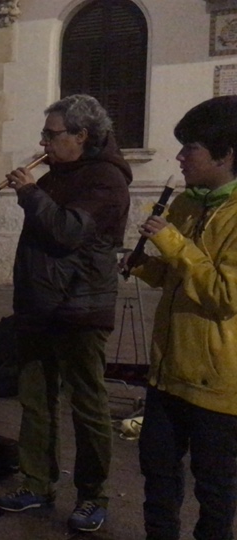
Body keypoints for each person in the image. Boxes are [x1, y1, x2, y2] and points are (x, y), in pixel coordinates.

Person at [0, 94, 131, 532]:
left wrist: (29, 193)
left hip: (80, 307)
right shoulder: (57, 174)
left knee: (87, 404)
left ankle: (93, 494)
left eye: (51, 134)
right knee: (36, 399)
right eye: (45, 134)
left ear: (81, 135)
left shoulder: (107, 180)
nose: (44, 143)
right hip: (40, 305)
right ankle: (37, 482)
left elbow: (67, 230)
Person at [123, 95, 237, 540]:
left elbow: (225, 296)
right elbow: (179, 279)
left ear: (226, 154)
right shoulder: (187, 204)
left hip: (217, 385)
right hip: (166, 374)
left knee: (214, 489)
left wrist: (172, 243)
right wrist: (145, 266)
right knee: (158, 477)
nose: (180, 157)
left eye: (191, 148)